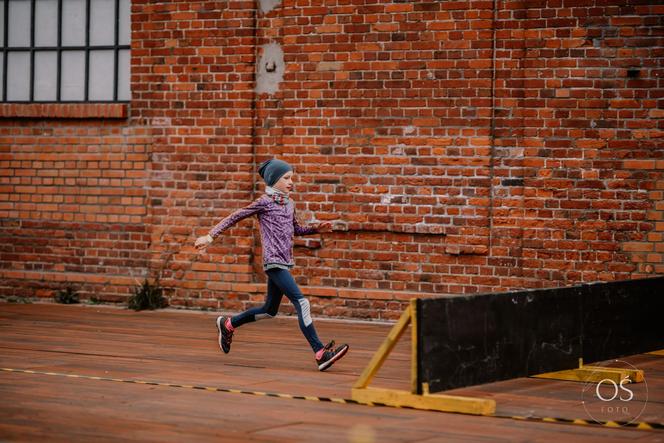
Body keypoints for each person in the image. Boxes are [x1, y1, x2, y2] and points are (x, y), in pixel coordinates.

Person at [195, 158, 349, 371]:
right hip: (274, 263)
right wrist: (210, 237)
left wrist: (316, 229)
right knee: (302, 303)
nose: (291, 181)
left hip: (285, 263)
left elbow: (296, 229)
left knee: (269, 310)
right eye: (286, 177)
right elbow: (235, 217)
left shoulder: (289, 203)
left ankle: (228, 324)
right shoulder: (264, 203)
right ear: (273, 179)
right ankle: (320, 352)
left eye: (292, 177)